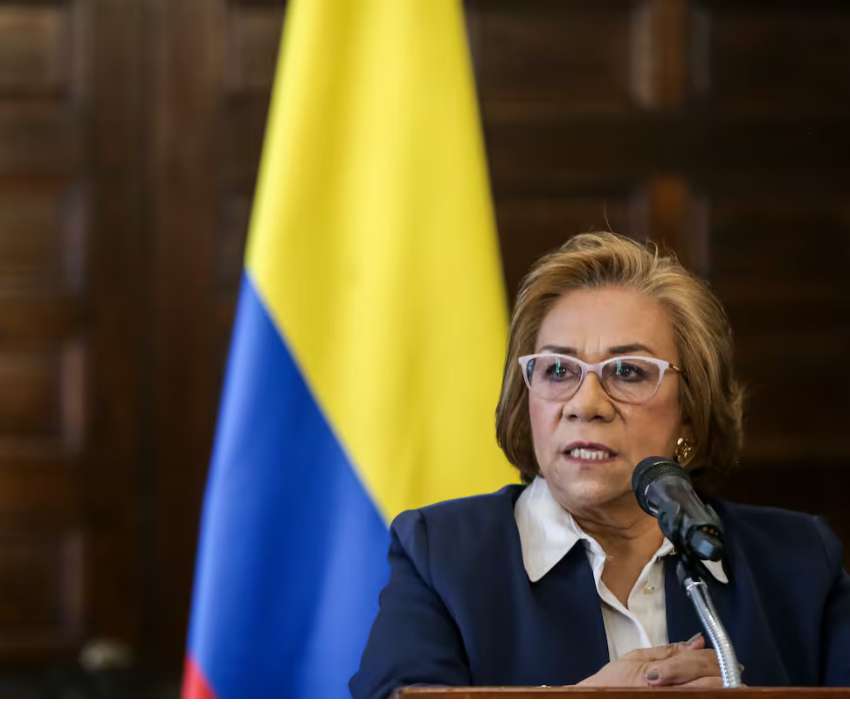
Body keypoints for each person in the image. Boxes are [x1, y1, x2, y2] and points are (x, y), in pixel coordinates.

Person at [349, 233, 850, 697]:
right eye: (558, 369)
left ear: (690, 413)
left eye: (627, 371)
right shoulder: (441, 555)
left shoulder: (800, 563)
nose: (585, 404)